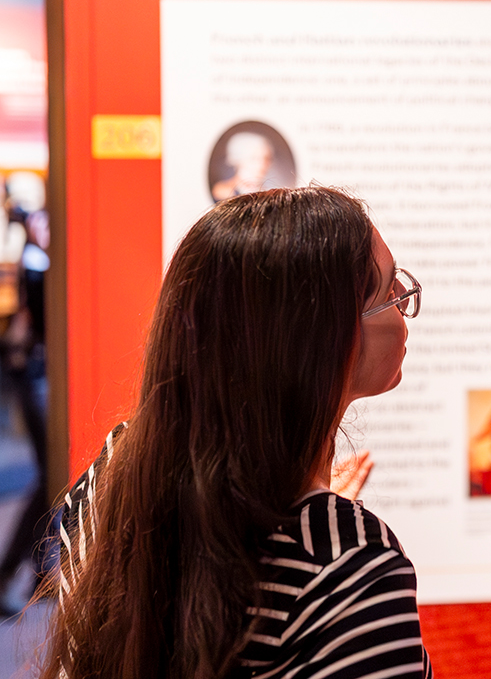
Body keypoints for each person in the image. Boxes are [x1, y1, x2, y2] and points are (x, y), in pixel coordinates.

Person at [39, 186, 433, 679]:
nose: (404, 304)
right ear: (323, 339)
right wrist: (322, 531)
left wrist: (315, 517)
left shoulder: (114, 472)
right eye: (389, 290)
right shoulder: (354, 568)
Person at [211, 132, 276, 201]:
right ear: (238, 160)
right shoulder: (223, 191)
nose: (262, 163)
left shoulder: (269, 195)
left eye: (267, 158)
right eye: (254, 158)